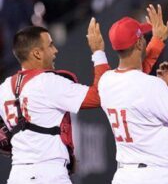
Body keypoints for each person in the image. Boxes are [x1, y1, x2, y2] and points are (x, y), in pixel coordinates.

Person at [98, 4, 168, 184]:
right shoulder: (151, 85)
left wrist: (157, 41)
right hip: (157, 176)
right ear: (140, 43)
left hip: (124, 175)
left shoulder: (105, 82)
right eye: (144, 37)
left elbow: (135, 77)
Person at [0, 17, 110, 184]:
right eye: (50, 45)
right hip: (48, 175)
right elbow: (99, 96)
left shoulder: (4, 88)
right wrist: (98, 52)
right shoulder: (47, 82)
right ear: (37, 53)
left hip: (17, 176)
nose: (56, 50)